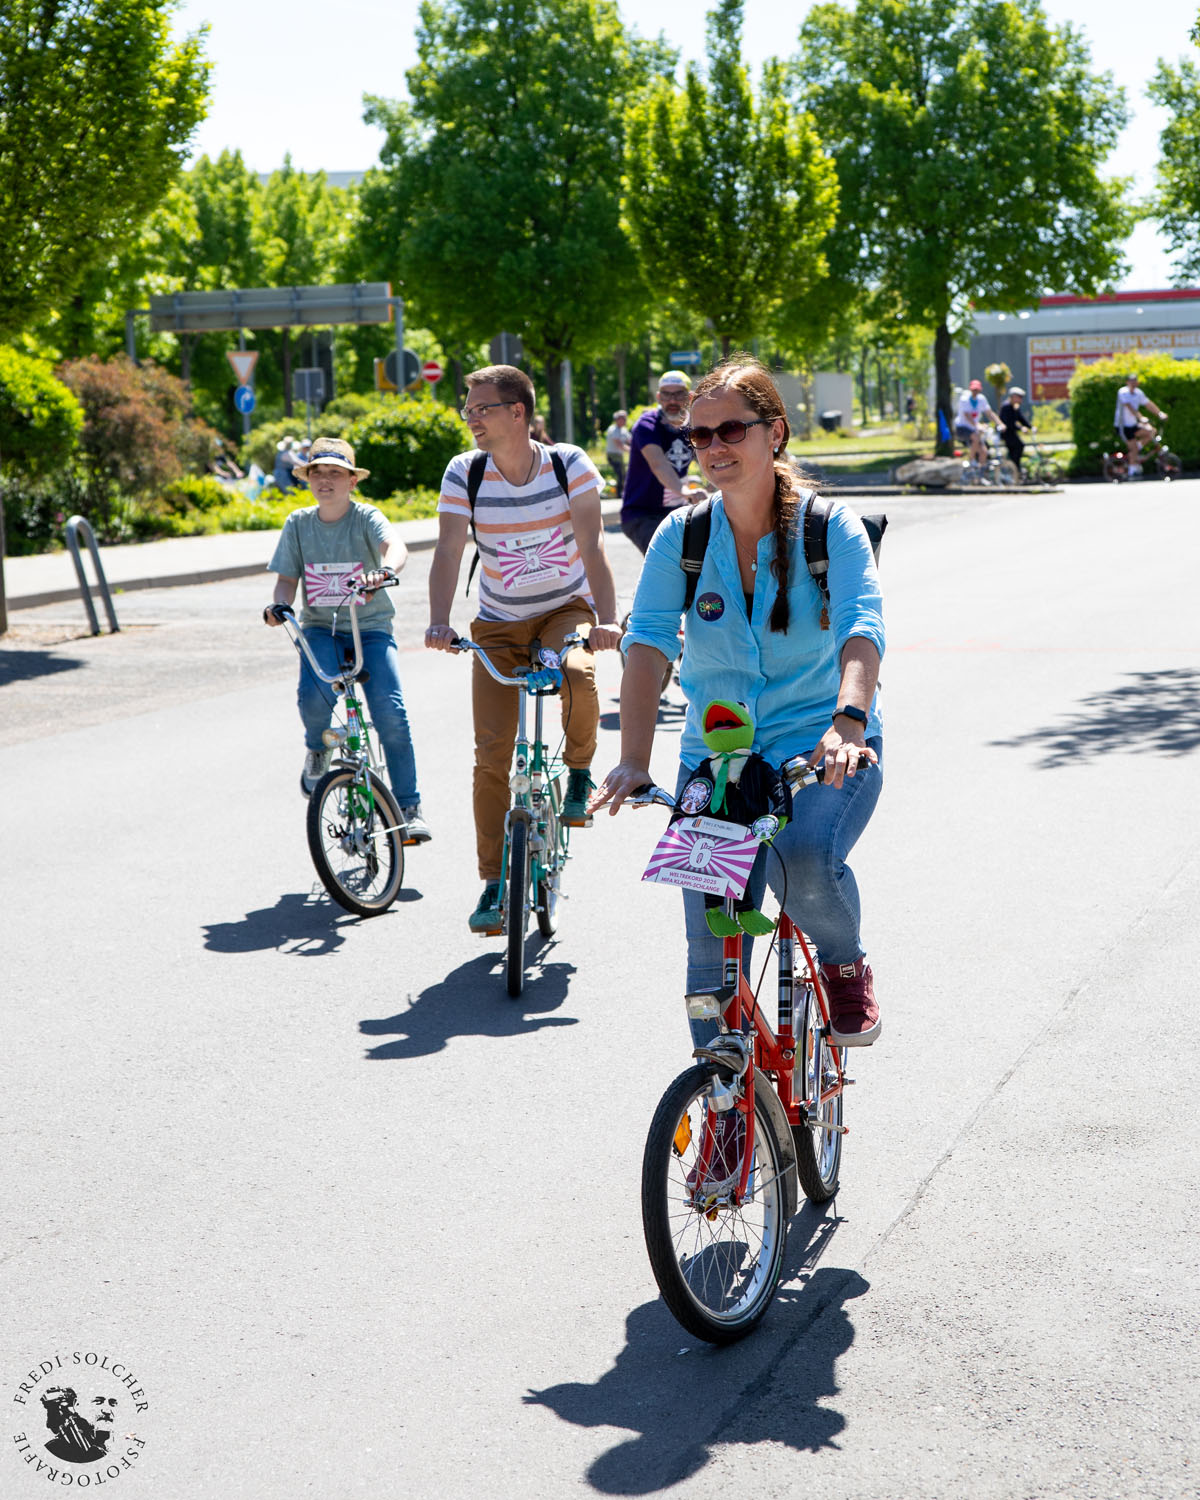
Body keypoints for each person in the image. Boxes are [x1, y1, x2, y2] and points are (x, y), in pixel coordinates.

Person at [592, 356, 885, 1048]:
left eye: (732, 430)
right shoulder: (683, 536)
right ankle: (727, 1107)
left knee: (805, 858)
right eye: (699, 436)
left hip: (821, 747)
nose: (714, 448)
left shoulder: (829, 528)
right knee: (709, 968)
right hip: (719, 764)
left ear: (774, 432)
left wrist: (848, 722)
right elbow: (649, 644)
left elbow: (862, 626)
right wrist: (634, 758)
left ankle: (844, 963)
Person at [425, 364, 622, 934]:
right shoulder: (464, 473)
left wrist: (606, 619)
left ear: (519, 413)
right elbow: (446, 550)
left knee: (578, 673)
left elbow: (592, 541)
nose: (470, 418)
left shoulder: (568, 464)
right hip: (498, 623)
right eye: (467, 408)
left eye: (481, 408)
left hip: (565, 609)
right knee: (491, 755)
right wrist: (440, 622)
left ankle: (580, 774)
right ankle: (492, 883)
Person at [264, 437, 430, 843]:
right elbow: (287, 581)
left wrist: (384, 571)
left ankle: (409, 807)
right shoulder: (299, 524)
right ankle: (316, 749)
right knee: (314, 692)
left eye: (335, 473)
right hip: (321, 627)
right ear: (307, 479)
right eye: (316, 473)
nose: (325, 481)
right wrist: (279, 608)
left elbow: (395, 546)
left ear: (352, 480)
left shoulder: (366, 517)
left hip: (370, 627)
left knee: (390, 711)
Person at [620, 370, 697, 554]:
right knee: (668, 560)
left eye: (678, 394)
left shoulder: (693, 426)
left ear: (690, 396)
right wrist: (685, 491)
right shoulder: (647, 425)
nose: (672, 400)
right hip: (642, 514)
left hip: (677, 510)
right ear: (658, 397)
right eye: (666, 394)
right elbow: (659, 465)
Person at [41, 1388, 117, 1463]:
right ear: (76, 1405)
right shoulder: (55, 1449)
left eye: (112, 1403)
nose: (107, 1411)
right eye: (98, 1402)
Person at [1114, 372, 1167, 475]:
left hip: (1133, 425)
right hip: (1123, 426)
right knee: (1133, 448)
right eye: (1131, 381)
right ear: (1127, 382)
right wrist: (1140, 417)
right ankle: (1132, 471)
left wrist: (1159, 413)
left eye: (1135, 381)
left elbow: (1148, 404)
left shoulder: (1138, 393)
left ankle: (1136, 448)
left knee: (1151, 431)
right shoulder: (1123, 392)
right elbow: (1129, 407)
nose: (1133, 383)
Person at [954, 379, 998, 467]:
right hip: (962, 428)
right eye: (974, 390)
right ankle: (971, 460)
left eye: (977, 390)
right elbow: (967, 415)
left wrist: (999, 423)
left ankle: (980, 474)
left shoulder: (981, 399)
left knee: (984, 452)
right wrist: (978, 425)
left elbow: (989, 413)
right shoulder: (964, 399)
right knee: (976, 438)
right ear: (970, 389)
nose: (975, 392)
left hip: (973, 429)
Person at [998, 386, 1033, 469]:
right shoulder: (1006, 407)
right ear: (1013, 397)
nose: (1021, 400)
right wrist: (1021, 428)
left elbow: (1021, 418)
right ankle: (1014, 468)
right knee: (1019, 446)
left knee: (1018, 447)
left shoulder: (1014, 407)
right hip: (1006, 434)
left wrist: (1030, 427)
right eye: (1019, 397)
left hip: (1012, 433)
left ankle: (1014, 467)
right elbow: (1009, 423)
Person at [605, 409, 632, 497]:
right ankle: (618, 494)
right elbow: (619, 445)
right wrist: (633, 451)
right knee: (620, 474)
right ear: (617, 420)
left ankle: (623, 492)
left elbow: (630, 440)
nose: (625, 420)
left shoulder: (624, 430)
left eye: (625, 418)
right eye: (622, 418)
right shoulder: (613, 429)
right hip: (612, 455)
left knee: (623, 473)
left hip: (619, 455)